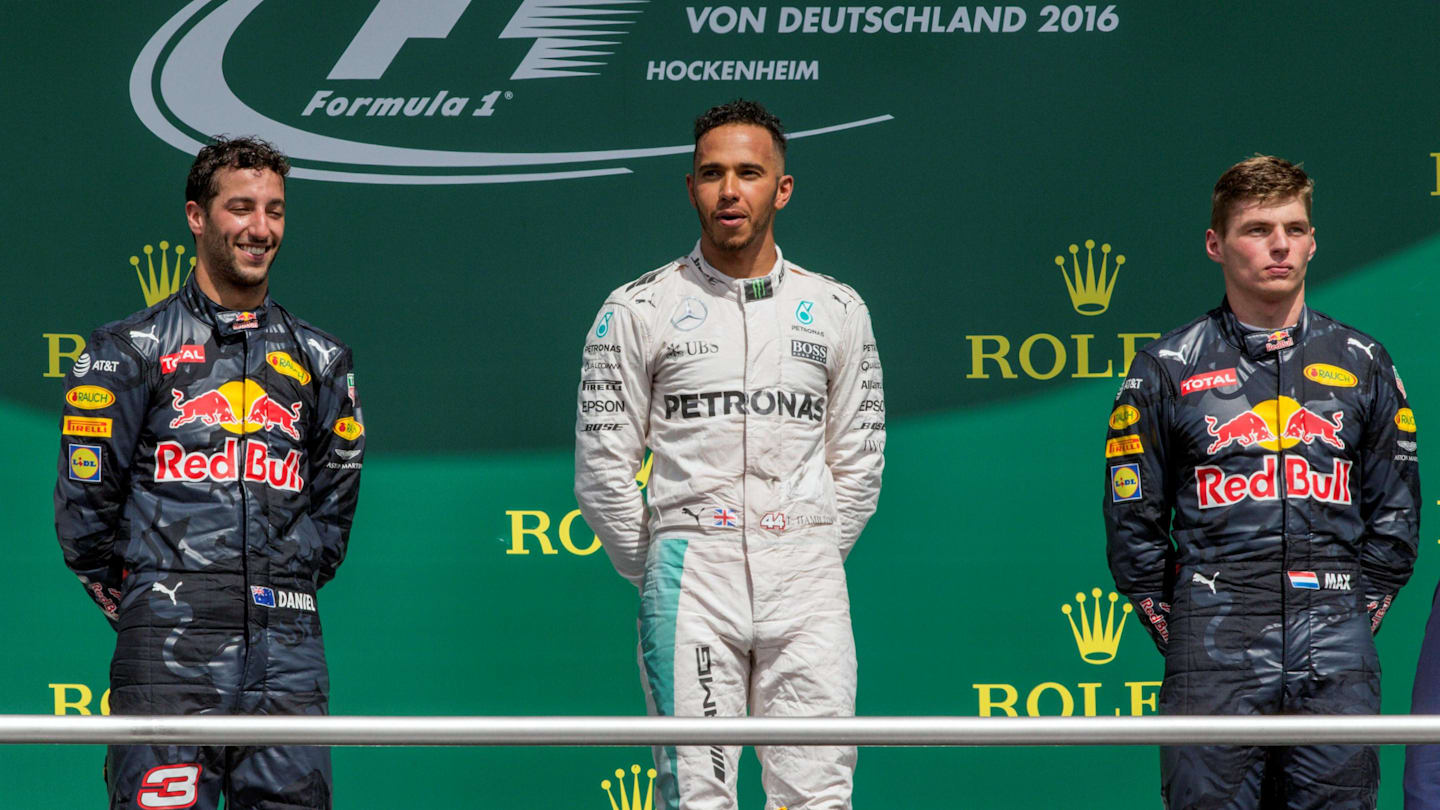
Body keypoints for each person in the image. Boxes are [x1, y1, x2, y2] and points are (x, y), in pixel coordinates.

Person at [574, 99, 885, 810]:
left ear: (782, 189)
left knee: (818, 797)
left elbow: (859, 461)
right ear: (690, 188)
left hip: (806, 579)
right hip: (692, 576)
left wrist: (800, 548)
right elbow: (602, 470)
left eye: (749, 173)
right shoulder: (637, 308)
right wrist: (666, 560)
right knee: (697, 797)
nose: (729, 190)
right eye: (712, 173)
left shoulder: (838, 309)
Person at [54, 136, 365, 810]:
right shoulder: (127, 350)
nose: (261, 229)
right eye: (242, 208)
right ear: (197, 216)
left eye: (275, 211)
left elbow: (333, 509)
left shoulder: (321, 358)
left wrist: (283, 584)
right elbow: (84, 516)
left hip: (289, 650)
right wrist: (156, 598)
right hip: (164, 650)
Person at [1104, 155, 1419, 809]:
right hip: (1213, 642)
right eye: (1256, 229)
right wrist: (1188, 625)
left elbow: (1397, 518)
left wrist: (1345, 617)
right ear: (1216, 243)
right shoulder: (1164, 367)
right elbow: (1132, 527)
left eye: (1293, 227)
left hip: (1336, 639)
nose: (1279, 244)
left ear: (1312, 240)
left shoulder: (1363, 362)